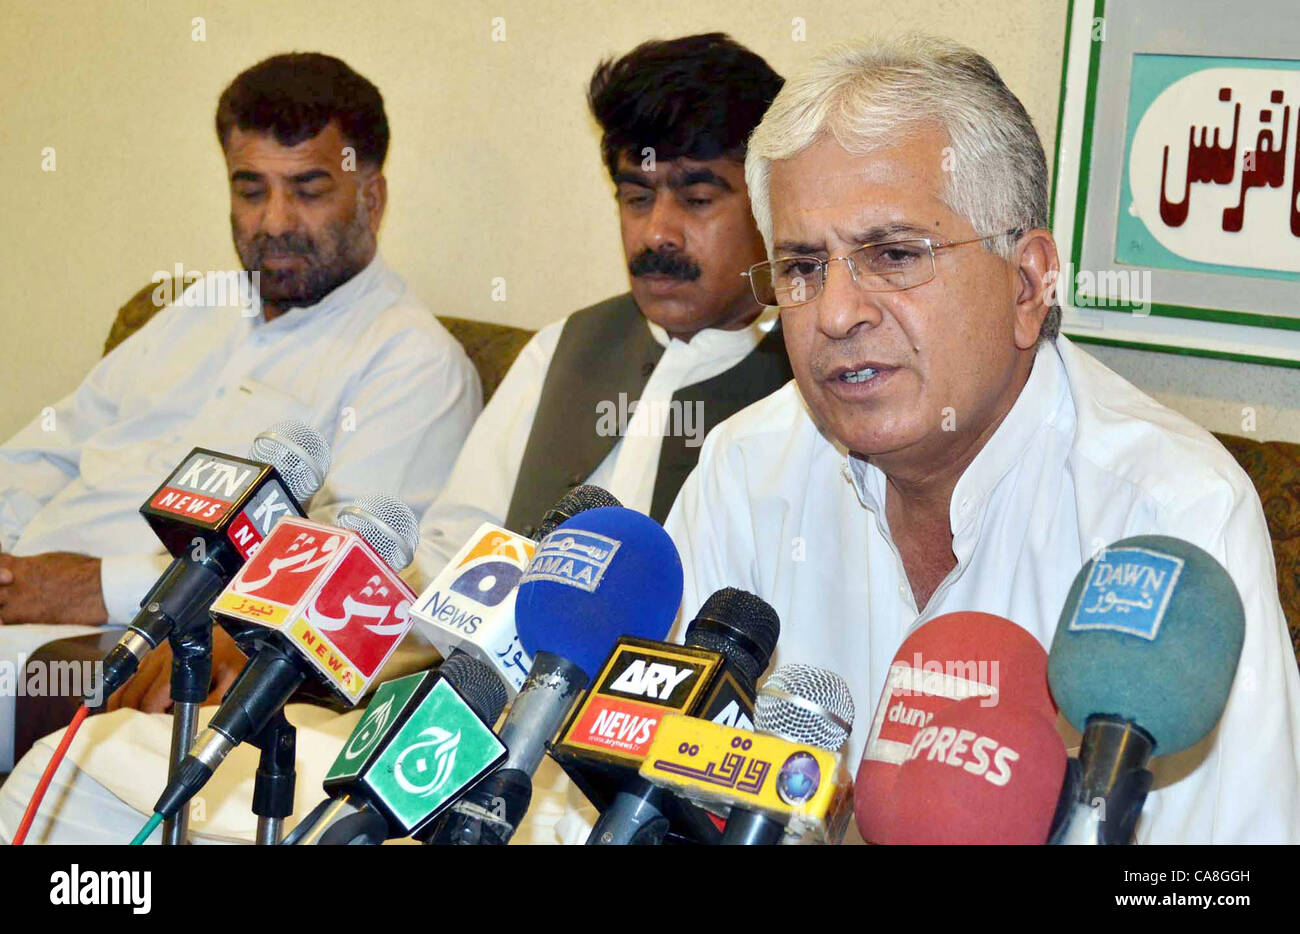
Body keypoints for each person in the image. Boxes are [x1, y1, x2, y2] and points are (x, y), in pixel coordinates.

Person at [664, 35, 1300, 843]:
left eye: (893, 255)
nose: (835, 314)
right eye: (801, 266)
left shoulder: (1171, 520)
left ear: (1028, 283)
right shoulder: (744, 470)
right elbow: (652, 797)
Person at [0, 52, 480, 838]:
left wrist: (91, 588)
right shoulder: (198, 306)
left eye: (309, 189)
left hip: (113, 647)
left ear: (374, 194)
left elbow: (337, 590)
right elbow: (48, 449)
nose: (274, 222)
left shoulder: (410, 363)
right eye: (250, 188)